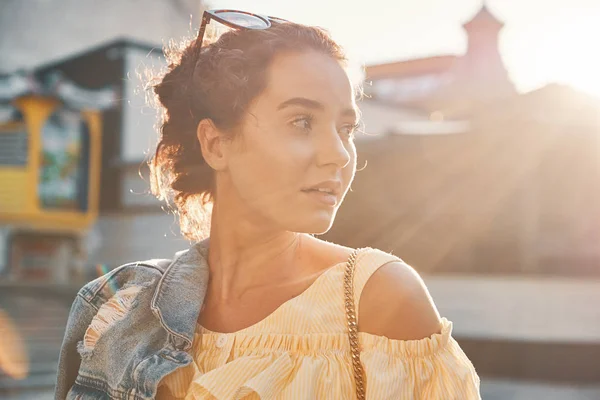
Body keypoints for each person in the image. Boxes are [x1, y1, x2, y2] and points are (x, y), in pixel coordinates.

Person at [55, 9, 481, 399]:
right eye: (301, 122)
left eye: (346, 127)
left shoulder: (380, 300)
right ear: (216, 143)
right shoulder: (118, 304)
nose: (339, 153)